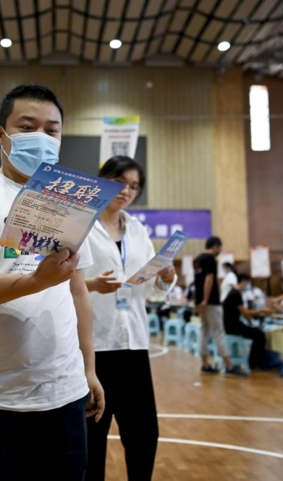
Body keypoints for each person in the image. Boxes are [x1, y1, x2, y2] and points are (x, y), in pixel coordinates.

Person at [0, 83, 104, 481]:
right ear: (1, 135)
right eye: (28, 127)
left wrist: (89, 369)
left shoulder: (69, 203)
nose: (42, 138)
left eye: (52, 130)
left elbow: (77, 290)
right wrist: (35, 280)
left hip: (63, 393)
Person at [84, 156, 173, 481]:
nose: (127, 191)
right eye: (120, 182)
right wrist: (92, 284)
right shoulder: (81, 224)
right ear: (104, 180)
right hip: (93, 345)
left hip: (134, 344)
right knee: (92, 436)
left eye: (134, 186)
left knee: (143, 434)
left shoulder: (137, 230)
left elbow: (149, 287)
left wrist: (164, 277)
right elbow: (57, 279)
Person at [194, 236, 246, 377]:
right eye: (220, 248)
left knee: (204, 332)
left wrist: (198, 302)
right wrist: (205, 300)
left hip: (201, 303)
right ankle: (229, 366)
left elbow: (196, 284)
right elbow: (208, 279)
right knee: (219, 332)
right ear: (215, 246)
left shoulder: (197, 260)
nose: (220, 251)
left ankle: (205, 364)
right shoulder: (210, 259)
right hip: (210, 302)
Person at [223, 274, 274, 370]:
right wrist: (262, 310)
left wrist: (250, 322)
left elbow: (242, 312)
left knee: (256, 332)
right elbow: (245, 313)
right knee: (259, 335)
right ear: (244, 281)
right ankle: (255, 363)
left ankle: (255, 362)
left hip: (230, 325)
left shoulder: (233, 293)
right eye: (248, 283)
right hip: (232, 326)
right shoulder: (235, 294)